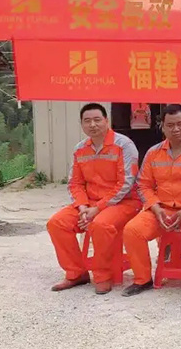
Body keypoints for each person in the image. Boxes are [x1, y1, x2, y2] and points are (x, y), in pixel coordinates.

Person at [122, 104, 181, 302]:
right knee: (132, 230)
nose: (176, 129)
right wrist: (155, 207)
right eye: (170, 125)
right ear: (162, 127)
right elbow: (143, 185)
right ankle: (142, 279)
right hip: (162, 208)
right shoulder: (153, 153)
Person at [46, 103, 140, 294]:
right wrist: (82, 207)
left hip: (124, 202)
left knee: (101, 224)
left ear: (106, 121)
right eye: (87, 121)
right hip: (89, 204)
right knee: (57, 223)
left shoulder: (124, 145)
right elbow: (75, 183)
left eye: (97, 120)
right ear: (81, 124)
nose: (93, 125)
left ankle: (103, 275)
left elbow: (126, 182)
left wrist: (98, 208)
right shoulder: (80, 149)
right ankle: (76, 273)